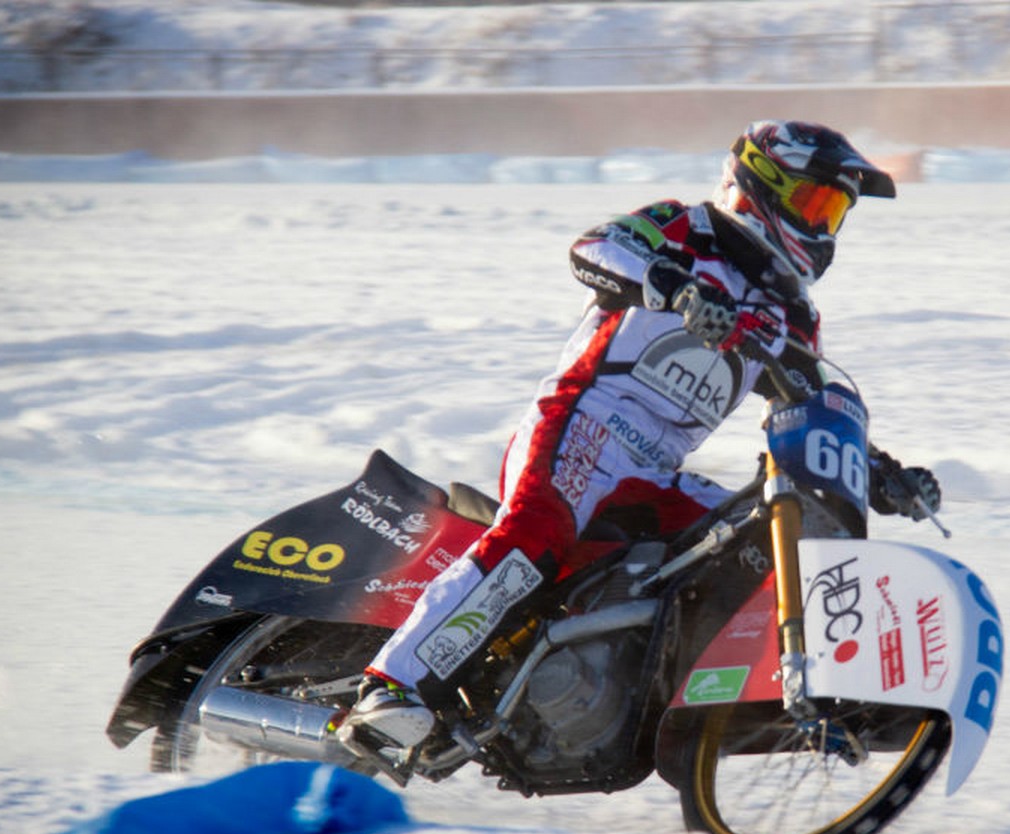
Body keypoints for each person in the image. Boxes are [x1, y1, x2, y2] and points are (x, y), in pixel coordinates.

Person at [335, 120, 943, 755]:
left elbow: (809, 400)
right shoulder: (687, 228)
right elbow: (595, 248)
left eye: (833, 211)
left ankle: (736, 703)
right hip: (581, 426)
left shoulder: (793, 316)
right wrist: (677, 288)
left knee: (761, 534)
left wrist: (878, 471)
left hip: (652, 473)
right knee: (536, 529)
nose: (821, 226)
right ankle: (391, 684)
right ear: (762, 185)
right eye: (813, 203)